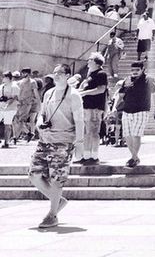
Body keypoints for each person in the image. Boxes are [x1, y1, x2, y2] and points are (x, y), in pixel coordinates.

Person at [29, 63, 84, 228]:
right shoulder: (48, 93)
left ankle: (52, 215)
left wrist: (79, 143)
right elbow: (42, 114)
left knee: (56, 180)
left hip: (63, 141)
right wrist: (39, 123)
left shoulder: (74, 95)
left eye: (60, 72)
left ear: (68, 75)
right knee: (34, 174)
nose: (56, 75)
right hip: (45, 139)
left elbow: (80, 121)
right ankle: (57, 201)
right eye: (55, 72)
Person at [115, 61, 155, 167]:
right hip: (127, 110)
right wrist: (126, 86)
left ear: (143, 70)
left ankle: (133, 158)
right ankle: (134, 157)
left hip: (141, 110)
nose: (134, 72)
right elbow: (121, 94)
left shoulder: (148, 80)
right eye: (132, 70)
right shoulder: (128, 79)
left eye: (137, 70)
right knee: (127, 135)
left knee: (136, 135)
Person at [77, 53, 109, 166]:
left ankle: (94, 156)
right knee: (86, 132)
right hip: (86, 106)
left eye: (90, 60)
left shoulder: (101, 74)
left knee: (94, 132)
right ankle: (86, 156)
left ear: (96, 62)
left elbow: (101, 89)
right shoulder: (90, 75)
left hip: (95, 107)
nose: (88, 62)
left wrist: (84, 93)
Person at [1, 71, 20, 148]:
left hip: (10, 108)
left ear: (8, 78)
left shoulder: (14, 86)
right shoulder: (1, 86)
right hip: (1, 107)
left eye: (4, 77)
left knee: (7, 125)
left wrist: (7, 103)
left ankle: (6, 142)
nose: (2, 78)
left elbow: (15, 97)